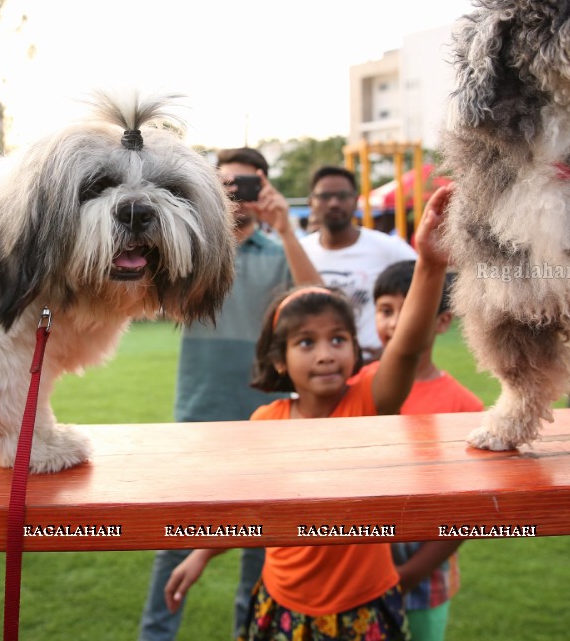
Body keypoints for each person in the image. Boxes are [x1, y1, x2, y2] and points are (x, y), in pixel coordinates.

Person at [164, 185, 452, 641]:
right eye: (306, 342)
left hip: (363, 608)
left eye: (338, 339)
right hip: (281, 607)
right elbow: (249, 509)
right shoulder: (267, 422)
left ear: (355, 349)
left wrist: (431, 265)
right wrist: (201, 552)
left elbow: (407, 347)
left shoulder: (368, 403)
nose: (325, 353)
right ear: (279, 360)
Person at [138, 147, 321, 641]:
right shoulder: (194, 252)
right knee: (174, 542)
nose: (236, 197)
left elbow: (320, 305)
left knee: (259, 549)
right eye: (226, 186)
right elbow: (151, 295)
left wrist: (285, 228)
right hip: (200, 417)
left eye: (246, 187)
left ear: (265, 190)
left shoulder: (284, 250)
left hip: (270, 424)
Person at [354, 261, 482, 641]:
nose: (394, 323)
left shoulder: (465, 408)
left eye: (408, 309)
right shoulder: (359, 386)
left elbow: (466, 510)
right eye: (385, 310)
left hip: (430, 561)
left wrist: (413, 573)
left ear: (442, 321)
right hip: (364, 552)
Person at [301, 166, 417, 362]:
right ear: (311, 202)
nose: (334, 203)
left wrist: (396, 345)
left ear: (356, 200)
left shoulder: (387, 248)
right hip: (318, 367)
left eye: (343, 195)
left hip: (375, 370)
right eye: (325, 196)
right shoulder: (299, 252)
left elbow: (429, 286)